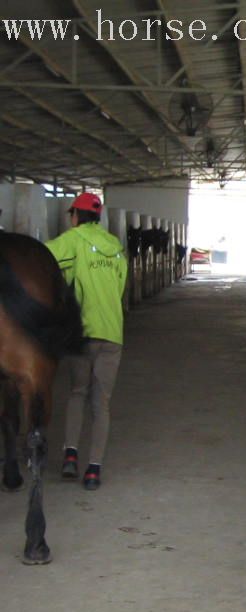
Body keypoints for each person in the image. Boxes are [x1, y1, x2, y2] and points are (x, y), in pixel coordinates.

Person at [45, 193, 127, 490]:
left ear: (76, 216)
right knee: (101, 402)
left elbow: (41, 257)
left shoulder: (75, 239)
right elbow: (118, 290)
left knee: (78, 392)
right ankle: (93, 470)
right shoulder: (116, 248)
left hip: (84, 334)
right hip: (113, 334)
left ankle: (70, 455)